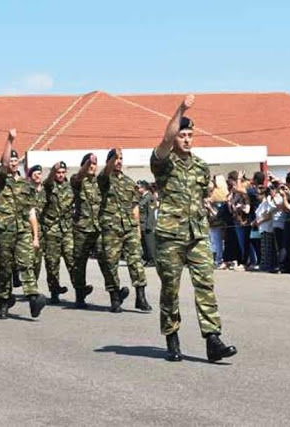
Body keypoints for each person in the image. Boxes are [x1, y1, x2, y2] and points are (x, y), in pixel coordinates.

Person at [151, 95, 236, 363]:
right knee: (170, 289)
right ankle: (171, 338)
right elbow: (165, 141)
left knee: (205, 285)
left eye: (190, 135)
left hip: (197, 232)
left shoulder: (200, 165)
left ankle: (213, 339)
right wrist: (181, 109)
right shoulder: (164, 162)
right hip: (170, 235)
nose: (186, 139)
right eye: (182, 134)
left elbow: (201, 195)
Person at [0, 129, 47, 319]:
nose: (13, 163)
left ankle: (33, 297)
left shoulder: (26, 185)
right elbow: (4, 163)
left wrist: (35, 236)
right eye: (11, 160)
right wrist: (9, 140)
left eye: (16, 161)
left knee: (26, 264)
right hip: (4, 230)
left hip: (22, 230)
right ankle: (4, 302)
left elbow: (31, 212)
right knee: (5, 268)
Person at [99, 148, 152, 312]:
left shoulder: (130, 182)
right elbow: (104, 174)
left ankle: (141, 297)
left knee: (136, 262)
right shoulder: (104, 179)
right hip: (111, 228)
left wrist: (137, 231)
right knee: (111, 264)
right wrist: (111, 159)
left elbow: (135, 207)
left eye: (121, 158)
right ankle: (115, 298)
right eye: (116, 159)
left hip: (129, 227)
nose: (119, 161)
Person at [70, 153, 103, 308]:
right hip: (82, 228)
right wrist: (87, 162)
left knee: (106, 259)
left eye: (94, 164)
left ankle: (114, 293)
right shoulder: (77, 180)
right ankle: (80, 295)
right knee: (79, 262)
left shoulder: (100, 182)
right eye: (89, 164)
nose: (92, 166)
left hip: (98, 228)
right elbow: (78, 177)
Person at [42, 161, 75, 304]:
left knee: (72, 259)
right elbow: (48, 182)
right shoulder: (49, 186)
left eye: (62, 172)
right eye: (58, 173)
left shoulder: (70, 187)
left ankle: (79, 290)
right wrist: (51, 172)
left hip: (67, 228)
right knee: (52, 262)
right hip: (52, 229)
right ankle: (54, 291)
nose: (60, 175)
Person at [137, 180, 156, 266]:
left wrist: (149, 225)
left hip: (147, 224)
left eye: (139, 187)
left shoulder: (149, 197)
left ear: (144, 188)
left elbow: (151, 212)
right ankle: (147, 258)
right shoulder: (142, 197)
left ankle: (152, 259)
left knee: (149, 243)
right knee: (144, 243)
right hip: (142, 224)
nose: (137, 189)